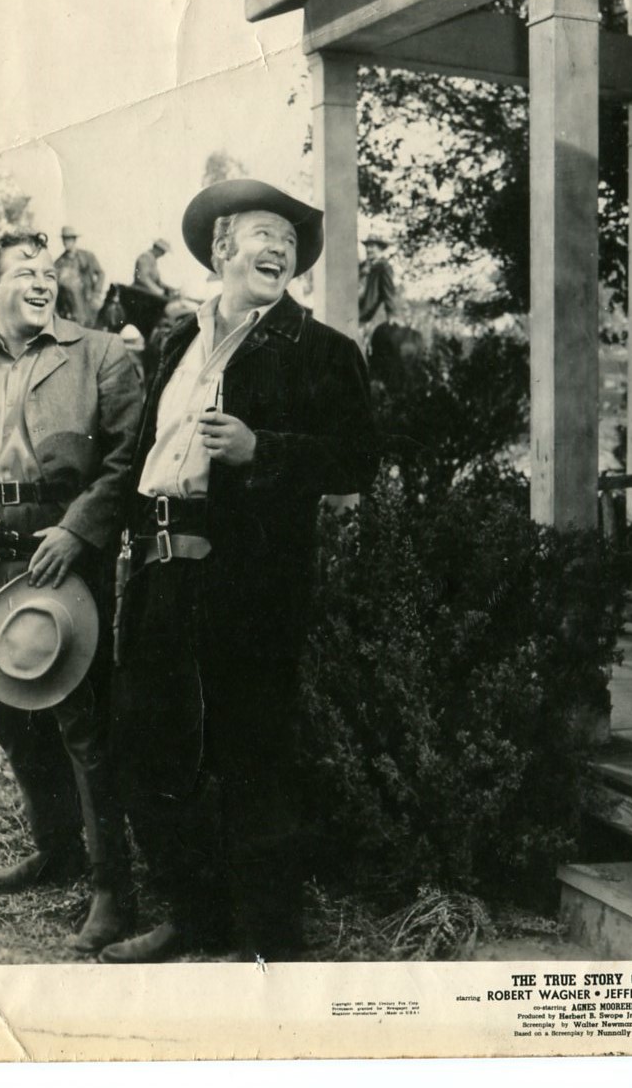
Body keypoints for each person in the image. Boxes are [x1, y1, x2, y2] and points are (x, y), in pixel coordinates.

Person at [100, 180, 377, 964]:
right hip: (159, 572)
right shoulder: (175, 342)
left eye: (288, 242)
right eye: (263, 234)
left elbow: (359, 459)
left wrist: (266, 450)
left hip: (252, 584)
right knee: (156, 746)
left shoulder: (323, 351)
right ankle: (195, 917)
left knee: (253, 758)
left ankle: (269, 945)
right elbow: (148, 455)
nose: (279, 249)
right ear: (222, 249)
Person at [0, 230, 142, 953]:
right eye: (24, 272)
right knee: (14, 717)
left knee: (84, 724)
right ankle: (56, 848)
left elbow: (126, 459)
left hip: (66, 560)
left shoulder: (100, 354)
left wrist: (77, 532)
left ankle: (112, 886)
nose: (42, 282)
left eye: (47, 272)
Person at [54, 226, 106, 327]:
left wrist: (96, 292)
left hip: (88, 302)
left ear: (74, 240)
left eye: (69, 239)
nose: (66, 242)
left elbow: (101, 273)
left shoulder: (87, 256)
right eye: (64, 239)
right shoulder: (59, 264)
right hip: (70, 309)